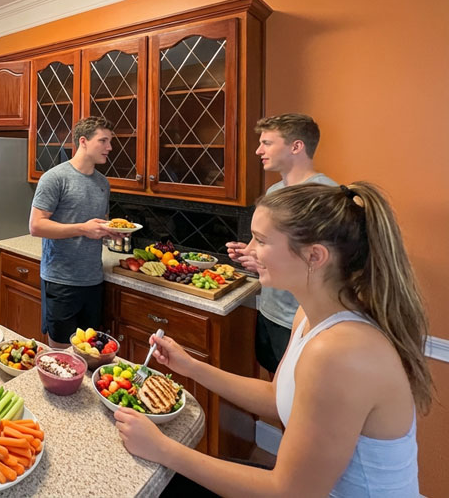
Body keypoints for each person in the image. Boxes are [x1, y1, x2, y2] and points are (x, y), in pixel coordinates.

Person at [115, 182, 431, 496]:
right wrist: (190, 367)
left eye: (262, 240)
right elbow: (275, 397)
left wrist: (163, 449)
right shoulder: (308, 316)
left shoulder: (339, 353)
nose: (249, 249)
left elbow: (289, 491)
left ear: (314, 256)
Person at [227, 113, 337, 373]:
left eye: (266, 143)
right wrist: (250, 255)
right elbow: (268, 250)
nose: (258, 150)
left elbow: (329, 266)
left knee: (296, 389)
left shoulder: (324, 197)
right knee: (275, 381)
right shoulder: (275, 192)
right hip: (269, 309)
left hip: (300, 318)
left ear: (296, 146)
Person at [29, 116, 121, 348]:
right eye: (103, 141)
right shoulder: (54, 178)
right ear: (83, 141)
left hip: (93, 280)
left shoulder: (103, 183)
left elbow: (97, 224)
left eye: (110, 141)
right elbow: (36, 226)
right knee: (60, 353)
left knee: (89, 352)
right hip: (61, 280)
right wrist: (83, 228)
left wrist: (109, 231)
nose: (109, 147)